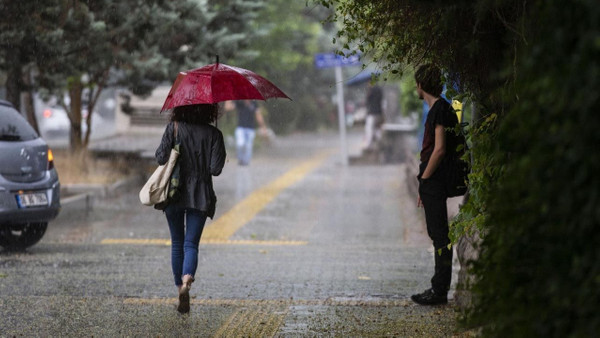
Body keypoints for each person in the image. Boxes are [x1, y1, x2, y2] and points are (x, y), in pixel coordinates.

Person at [155, 104, 226, 313]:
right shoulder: (214, 133)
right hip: (200, 194)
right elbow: (216, 169)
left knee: (177, 242)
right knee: (191, 244)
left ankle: (179, 289)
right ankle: (187, 280)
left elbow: (160, 157)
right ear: (209, 111)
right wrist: (215, 142)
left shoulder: (173, 128)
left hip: (174, 192)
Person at [411, 64, 460, 306]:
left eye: (416, 83)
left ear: (421, 85)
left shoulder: (439, 109)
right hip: (433, 182)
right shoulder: (440, 109)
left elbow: (439, 150)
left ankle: (439, 290)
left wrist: (425, 178)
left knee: (440, 236)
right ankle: (438, 287)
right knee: (438, 234)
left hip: (435, 180)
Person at [234, 100, 267, 166]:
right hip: (240, 127)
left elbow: (258, 115)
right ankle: (240, 158)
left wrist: (263, 127)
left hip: (250, 128)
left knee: (249, 146)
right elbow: (228, 107)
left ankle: (246, 162)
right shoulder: (239, 102)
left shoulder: (254, 103)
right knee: (240, 144)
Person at [364, 83, 384, 150]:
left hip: (372, 113)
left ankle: (369, 144)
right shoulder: (379, 89)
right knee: (377, 128)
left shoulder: (371, 90)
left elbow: (367, 101)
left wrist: (369, 91)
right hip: (379, 112)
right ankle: (380, 143)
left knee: (369, 128)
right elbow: (381, 100)